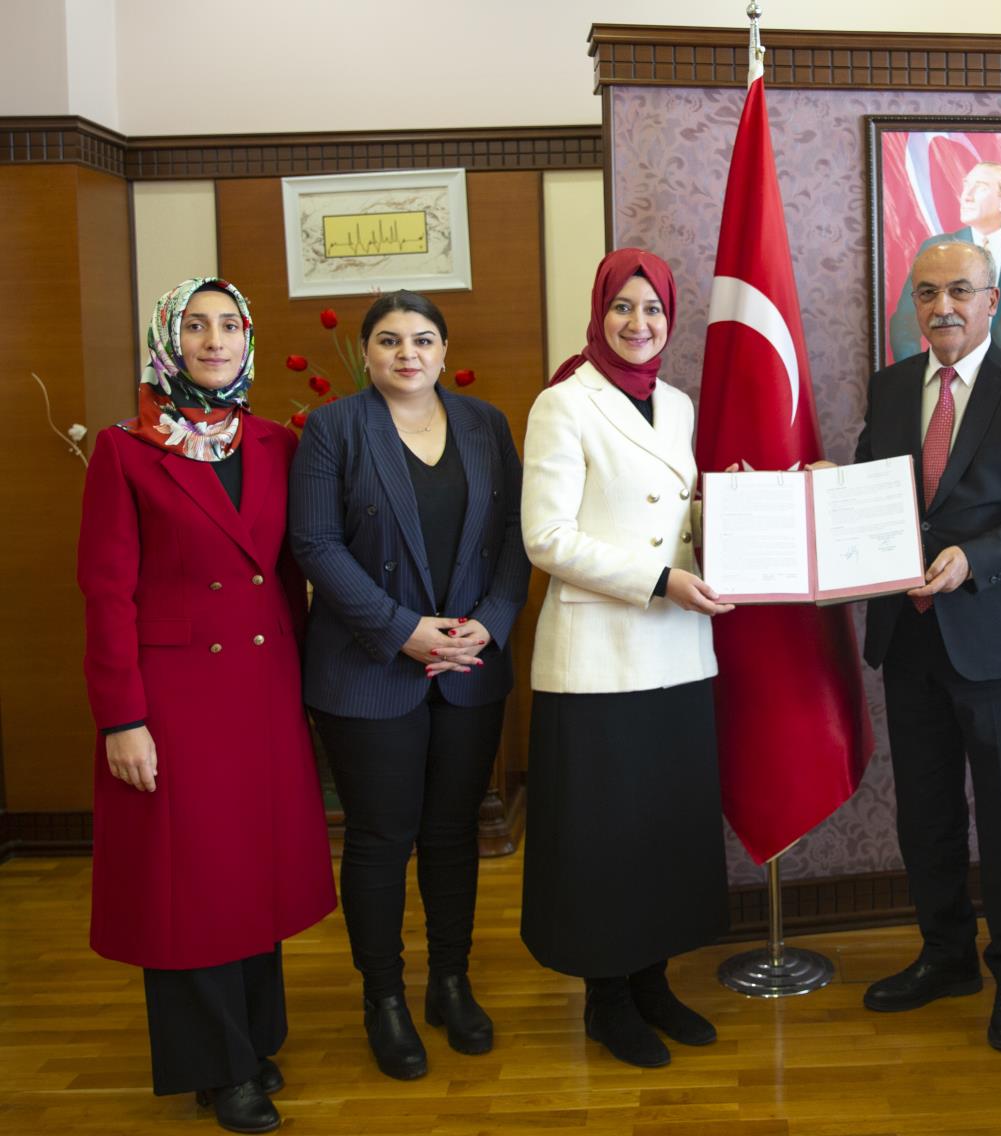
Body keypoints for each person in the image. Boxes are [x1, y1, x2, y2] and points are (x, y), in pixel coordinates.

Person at [78, 277, 336, 1134]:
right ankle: (219, 1069)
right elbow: (106, 594)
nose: (214, 340)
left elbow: (297, 569)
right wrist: (121, 718)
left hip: (264, 690)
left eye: (229, 325)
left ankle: (253, 1043)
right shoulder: (124, 450)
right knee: (189, 888)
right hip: (173, 702)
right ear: (169, 339)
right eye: (196, 325)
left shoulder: (276, 441)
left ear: (247, 340)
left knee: (251, 876)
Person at [288, 291, 530, 1081]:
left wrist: (489, 623)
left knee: (454, 834)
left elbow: (515, 538)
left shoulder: (487, 425)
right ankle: (384, 998)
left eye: (423, 339)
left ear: (444, 349)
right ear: (366, 353)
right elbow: (316, 544)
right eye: (389, 340)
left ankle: (450, 982)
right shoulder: (334, 428)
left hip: (469, 665)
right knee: (381, 837)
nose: (407, 353)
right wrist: (401, 629)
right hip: (368, 668)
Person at [855, 239, 1001, 1052]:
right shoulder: (889, 386)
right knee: (927, 813)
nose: (942, 306)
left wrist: (973, 559)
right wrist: (815, 492)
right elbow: (868, 492)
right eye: (927, 292)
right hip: (908, 636)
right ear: (913, 304)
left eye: (959, 290)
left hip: (999, 638)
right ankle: (946, 954)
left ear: (992, 300)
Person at [520, 248, 731, 1069]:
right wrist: (659, 580)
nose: (638, 323)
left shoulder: (676, 404)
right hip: (598, 658)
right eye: (623, 307)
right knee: (604, 836)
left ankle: (653, 984)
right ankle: (606, 1002)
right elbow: (547, 538)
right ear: (599, 310)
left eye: (653, 310)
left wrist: (739, 508)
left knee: (661, 828)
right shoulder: (562, 403)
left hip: (676, 651)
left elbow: (675, 516)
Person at [888, 161, 1001, 371]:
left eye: (980, 187)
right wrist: (917, 374)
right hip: (949, 379)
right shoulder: (936, 251)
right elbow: (904, 325)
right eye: (966, 185)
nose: (966, 195)